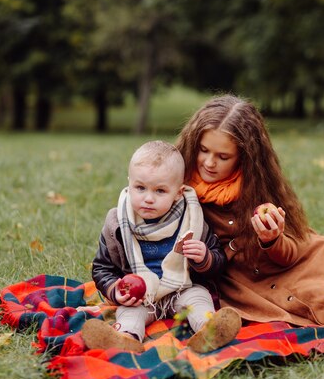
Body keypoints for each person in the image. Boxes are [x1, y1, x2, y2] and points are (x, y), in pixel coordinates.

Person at [175, 94, 324, 327]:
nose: (209, 163)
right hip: (254, 283)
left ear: (244, 158)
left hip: (299, 258)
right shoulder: (174, 182)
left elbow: (291, 250)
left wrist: (272, 240)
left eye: (223, 156)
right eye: (204, 150)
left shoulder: (257, 183)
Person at [82, 140, 241, 353]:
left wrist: (205, 257)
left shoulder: (191, 218)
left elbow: (218, 262)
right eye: (140, 188)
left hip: (182, 288)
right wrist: (115, 290)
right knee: (130, 312)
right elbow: (102, 268)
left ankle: (210, 331)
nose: (148, 198)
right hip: (141, 296)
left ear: (178, 192)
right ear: (129, 183)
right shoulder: (117, 223)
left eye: (160, 191)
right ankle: (123, 338)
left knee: (199, 300)